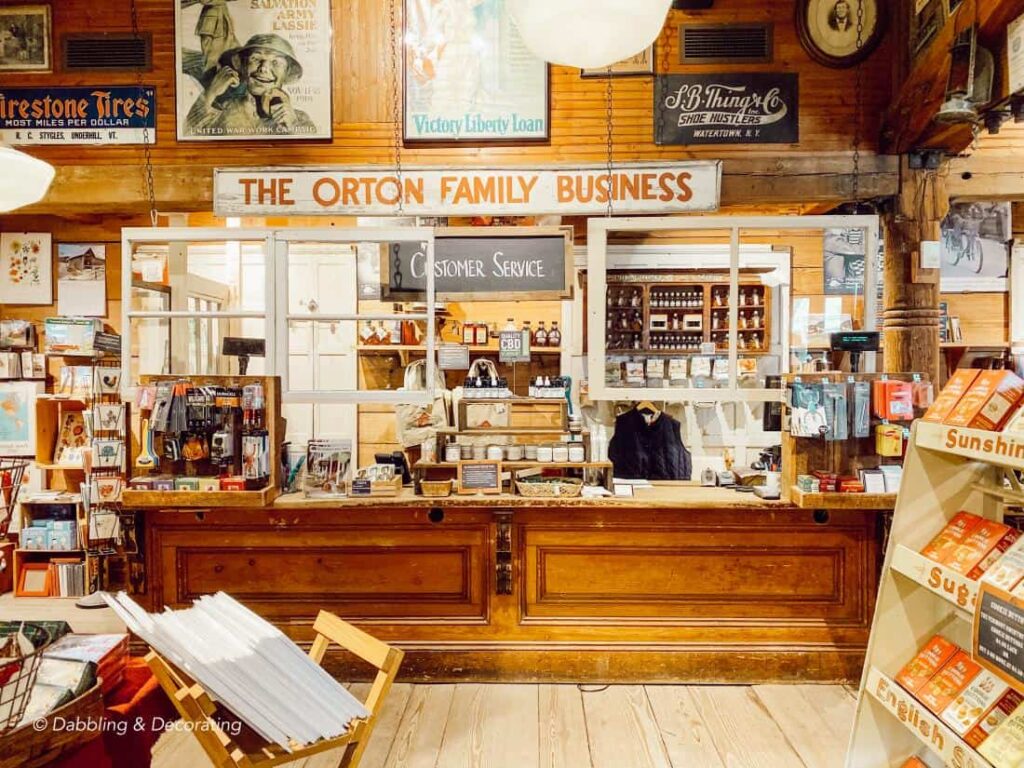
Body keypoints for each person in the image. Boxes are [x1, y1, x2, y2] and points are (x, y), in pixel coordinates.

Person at [185, 33, 316, 137]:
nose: (263, 69)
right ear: (243, 66)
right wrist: (211, 93)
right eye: (256, 59)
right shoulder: (221, 110)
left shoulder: (299, 119)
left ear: (287, 72)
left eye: (276, 62)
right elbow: (188, 132)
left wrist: (293, 126)